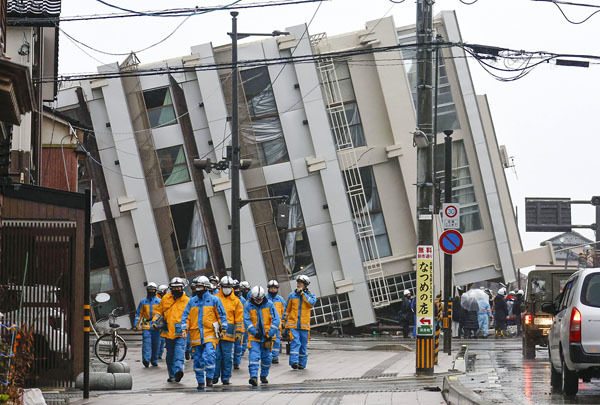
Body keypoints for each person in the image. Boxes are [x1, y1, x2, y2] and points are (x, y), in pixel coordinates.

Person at [181, 276, 226, 390]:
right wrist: (184, 329)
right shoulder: (192, 302)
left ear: (206, 287)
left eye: (200, 286)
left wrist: (223, 328)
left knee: (209, 355)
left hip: (210, 333)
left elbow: (221, 315)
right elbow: (186, 317)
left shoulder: (214, 300)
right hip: (196, 335)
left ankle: (209, 378)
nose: (198, 289)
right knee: (198, 359)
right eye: (196, 287)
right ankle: (200, 381)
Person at [152, 277, 190, 383]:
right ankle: (172, 374)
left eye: (179, 287)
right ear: (171, 288)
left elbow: (190, 316)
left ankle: (178, 371)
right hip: (168, 331)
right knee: (170, 355)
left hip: (181, 332)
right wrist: (155, 322)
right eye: (174, 287)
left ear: (182, 288)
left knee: (179, 351)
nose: (177, 289)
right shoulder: (165, 299)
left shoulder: (187, 301)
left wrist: (186, 328)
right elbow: (159, 312)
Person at [244, 286, 280, 386]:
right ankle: (253, 377)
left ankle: (264, 375)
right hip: (254, 336)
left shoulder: (269, 304)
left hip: (267, 336)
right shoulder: (248, 305)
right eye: (256, 299)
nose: (258, 301)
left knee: (267, 357)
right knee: (254, 356)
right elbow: (246, 320)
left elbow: (276, 320)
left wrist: (270, 333)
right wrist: (254, 332)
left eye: (260, 299)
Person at [214, 276, 244, 385]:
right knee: (216, 355)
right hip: (216, 330)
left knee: (227, 356)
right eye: (225, 287)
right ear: (221, 287)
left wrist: (239, 332)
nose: (226, 289)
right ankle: (214, 376)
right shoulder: (215, 298)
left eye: (228, 287)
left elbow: (239, 318)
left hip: (230, 332)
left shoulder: (236, 301)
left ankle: (226, 377)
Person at [283, 275, 316, 370]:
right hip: (293, 325)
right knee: (295, 342)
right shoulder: (292, 295)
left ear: (305, 285)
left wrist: (303, 294)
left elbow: (311, 303)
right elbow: (287, 309)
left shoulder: (310, 295)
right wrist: (283, 321)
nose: (298, 285)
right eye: (297, 283)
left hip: (304, 326)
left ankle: (302, 364)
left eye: (300, 283)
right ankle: (294, 362)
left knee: (303, 345)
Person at [133, 282, 162, 367]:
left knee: (156, 344)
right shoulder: (143, 301)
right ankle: (146, 359)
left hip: (156, 325)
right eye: (149, 290)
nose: (151, 291)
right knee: (146, 343)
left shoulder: (159, 301)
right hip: (146, 324)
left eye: (153, 290)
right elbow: (138, 314)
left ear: (155, 291)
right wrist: (136, 325)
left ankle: (154, 360)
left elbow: (162, 313)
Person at [266, 280, 286, 364]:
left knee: (277, 341)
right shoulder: (265, 298)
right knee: (267, 340)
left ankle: (275, 356)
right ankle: (267, 356)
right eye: (271, 288)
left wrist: (284, 322)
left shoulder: (280, 299)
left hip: (277, 325)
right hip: (268, 324)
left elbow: (284, 312)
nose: (273, 290)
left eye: (274, 288)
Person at [233, 280, 246, 370]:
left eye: (237, 288)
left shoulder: (243, 300)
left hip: (241, 326)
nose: (236, 290)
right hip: (230, 326)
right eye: (234, 289)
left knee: (239, 346)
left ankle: (237, 362)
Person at [238, 281, 252, 361]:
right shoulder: (243, 298)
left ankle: (242, 351)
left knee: (245, 336)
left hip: (246, 319)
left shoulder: (246, 298)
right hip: (244, 319)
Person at [156, 284, 168, 360]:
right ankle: (158, 354)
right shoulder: (159, 299)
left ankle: (159, 354)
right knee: (161, 339)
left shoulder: (162, 298)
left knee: (163, 339)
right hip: (160, 320)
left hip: (163, 320)